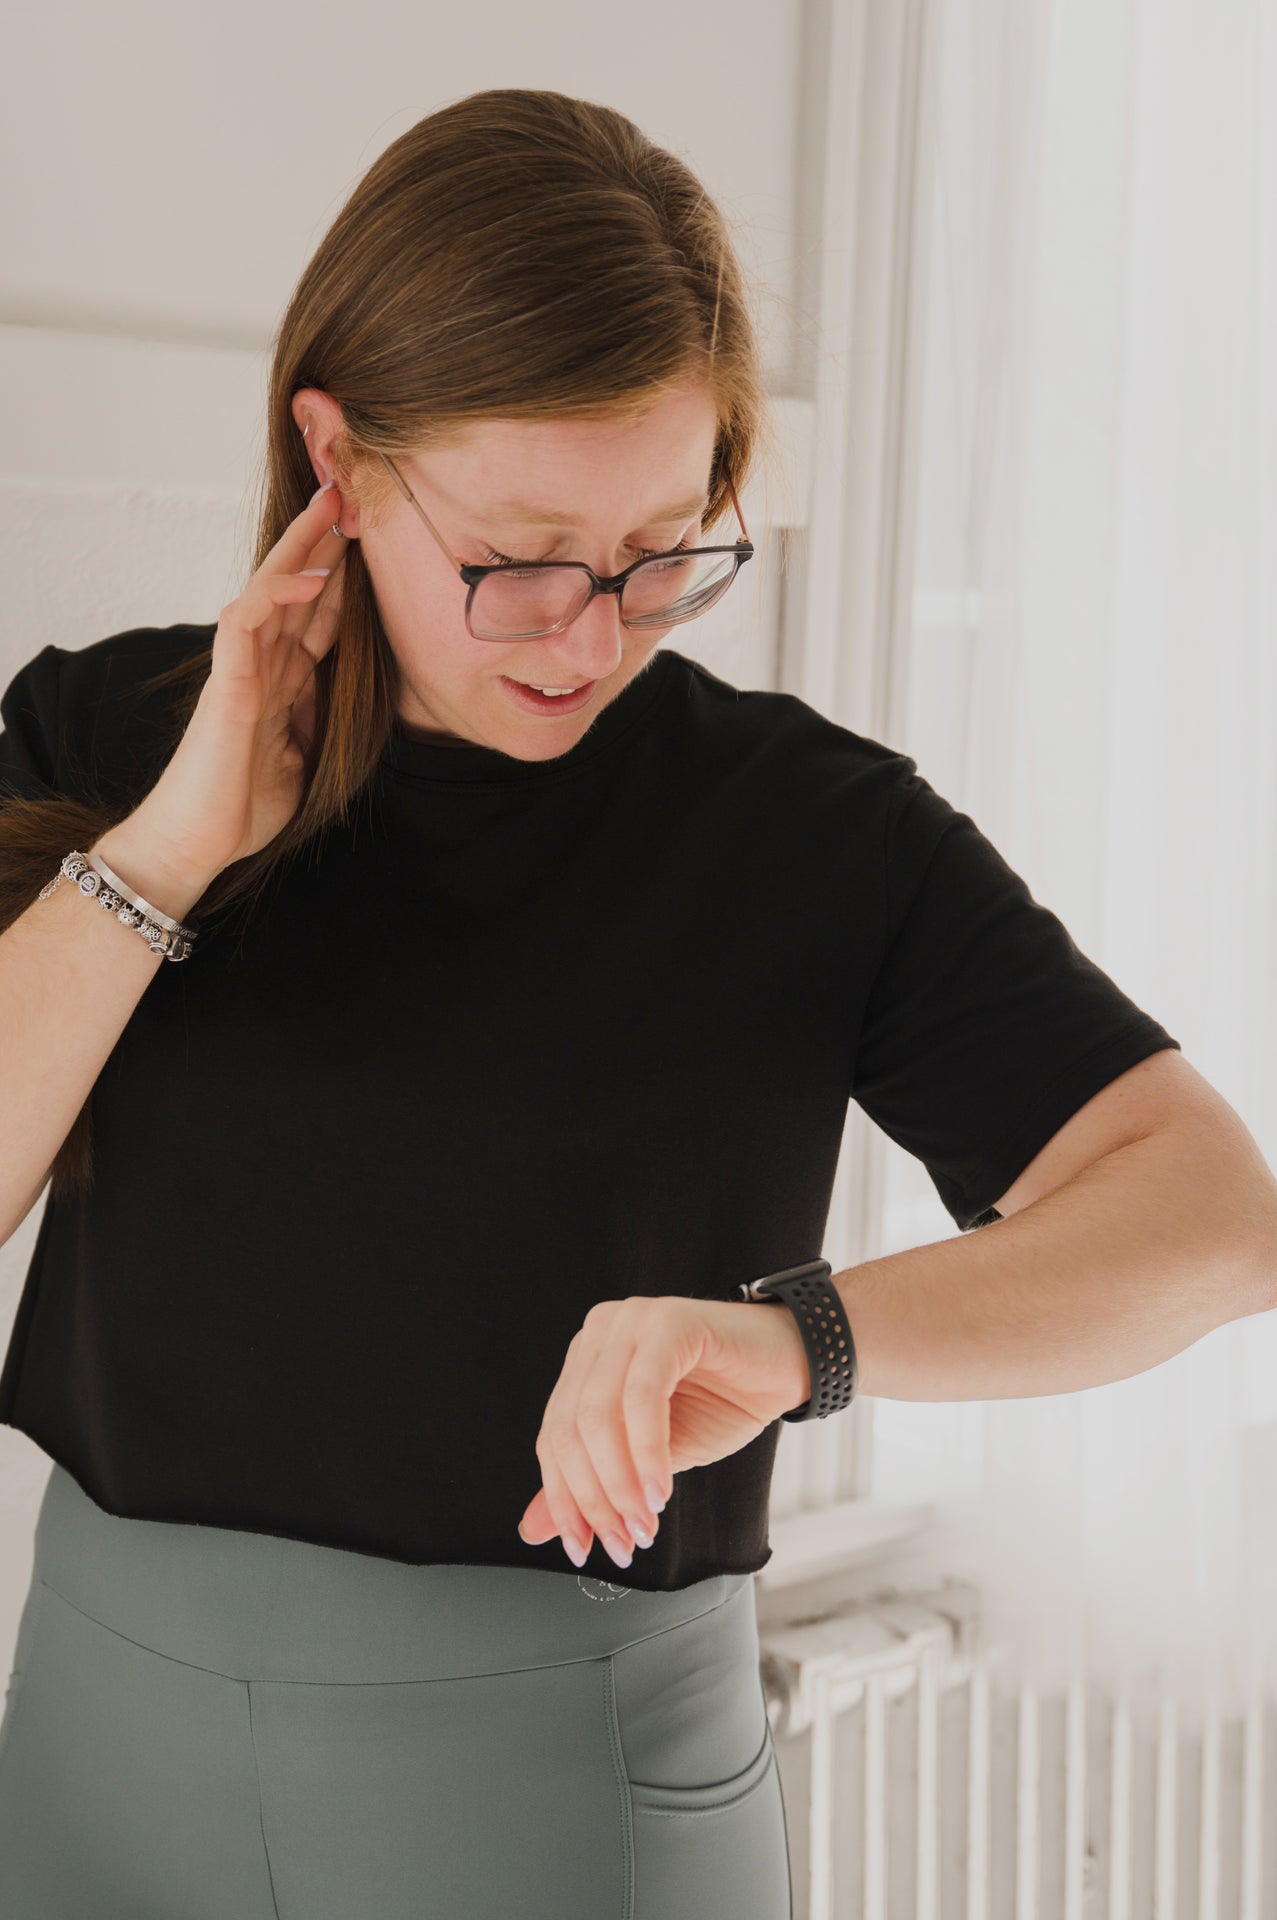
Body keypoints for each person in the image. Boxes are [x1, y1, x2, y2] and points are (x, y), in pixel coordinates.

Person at [0, 88, 1179, 1918]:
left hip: (575, 1782)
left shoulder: (816, 831)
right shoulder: (105, 742)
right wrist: (165, 853)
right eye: (523, 553)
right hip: (99, 1738)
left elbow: (1206, 1213)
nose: (590, 634)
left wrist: (803, 1342)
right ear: (342, 458)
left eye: (660, 552)